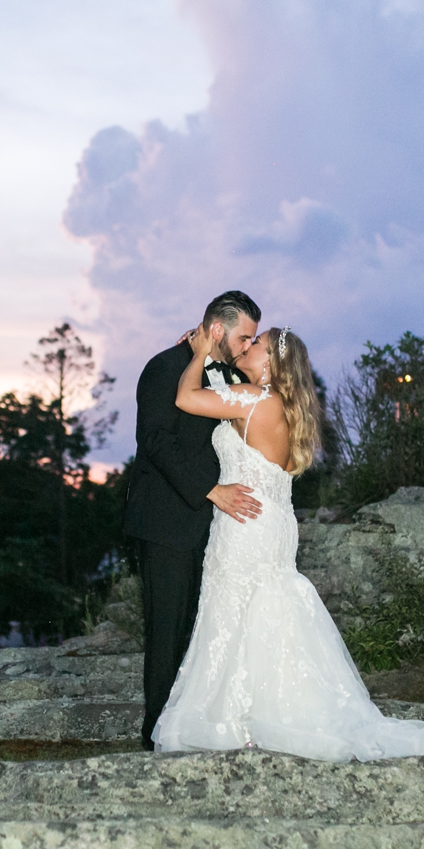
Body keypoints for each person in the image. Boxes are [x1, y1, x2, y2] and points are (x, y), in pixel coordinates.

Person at [151, 325, 424, 762]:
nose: (248, 347)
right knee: (261, 606)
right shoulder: (282, 406)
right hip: (272, 522)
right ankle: (256, 714)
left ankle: (233, 717)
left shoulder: (255, 399)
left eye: (256, 344)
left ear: (271, 364)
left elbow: (186, 399)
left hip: (244, 524)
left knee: (233, 608)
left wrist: (198, 353)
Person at [125, 290, 264, 751]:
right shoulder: (164, 367)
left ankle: (188, 722)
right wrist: (211, 491)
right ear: (217, 329)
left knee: (197, 627)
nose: (248, 346)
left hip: (212, 526)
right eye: (244, 337)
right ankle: (156, 733)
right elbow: (155, 441)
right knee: (167, 628)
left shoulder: (226, 373)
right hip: (166, 519)